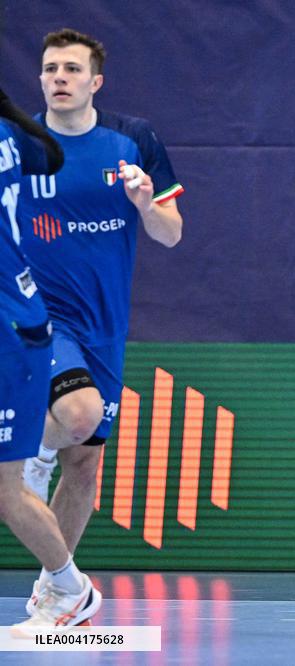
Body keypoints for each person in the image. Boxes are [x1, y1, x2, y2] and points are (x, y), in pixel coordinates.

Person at [18, 29, 184, 609]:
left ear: (96, 81)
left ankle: (55, 589)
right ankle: (33, 452)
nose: (58, 77)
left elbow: (171, 233)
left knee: (85, 460)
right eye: (49, 69)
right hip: (39, 315)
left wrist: (145, 204)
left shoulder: (133, 140)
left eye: (70, 68)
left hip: (105, 324)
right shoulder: (17, 142)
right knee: (79, 414)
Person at [0, 85, 101, 627]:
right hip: (25, 316)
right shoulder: (12, 135)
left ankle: (69, 588)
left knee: (6, 491)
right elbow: (50, 153)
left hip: (12, 326)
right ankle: (68, 587)